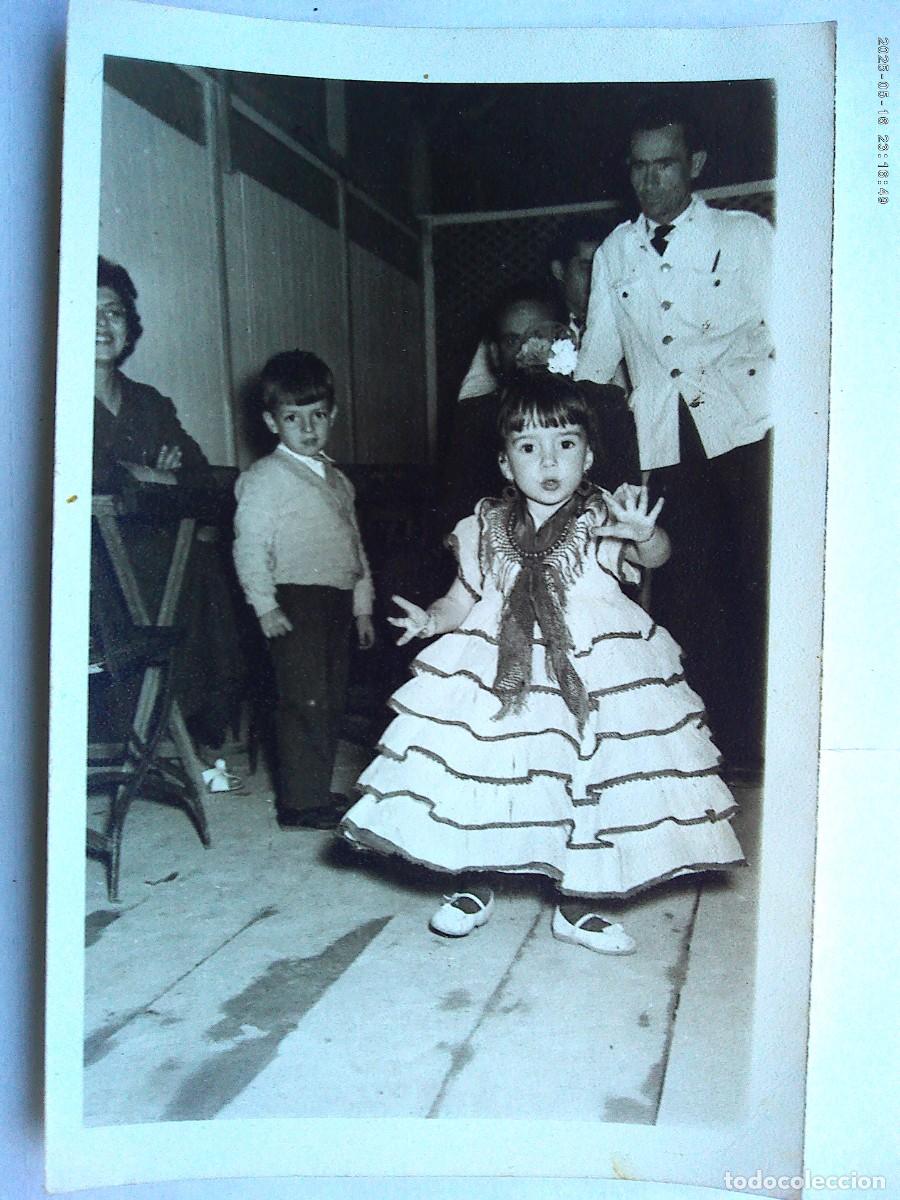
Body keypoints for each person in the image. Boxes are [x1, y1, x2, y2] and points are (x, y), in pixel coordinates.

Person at [340, 372, 743, 954]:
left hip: (595, 667)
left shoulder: (607, 515)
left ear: (589, 454)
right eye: (528, 447)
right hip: (502, 666)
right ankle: (474, 880)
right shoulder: (482, 525)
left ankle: (579, 903)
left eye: (566, 443)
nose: (548, 460)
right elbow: (462, 598)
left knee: (591, 776)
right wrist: (432, 620)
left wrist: (645, 535)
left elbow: (655, 556)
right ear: (505, 463)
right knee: (489, 767)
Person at [575, 99, 774, 771]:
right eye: (640, 168)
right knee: (687, 590)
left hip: (749, 430)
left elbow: (793, 328)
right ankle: (705, 741)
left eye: (666, 166)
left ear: (695, 166)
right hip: (664, 441)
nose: (652, 182)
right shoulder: (614, 252)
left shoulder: (746, 235)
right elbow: (600, 362)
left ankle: (760, 738)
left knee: (755, 579)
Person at [92, 256, 244, 750]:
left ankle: (195, 721)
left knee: (202, 562)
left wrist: (152, 473)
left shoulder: (150, 403)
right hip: (94, 558)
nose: (101, 324)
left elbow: (201, 479)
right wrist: (140, 476)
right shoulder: (51, 396)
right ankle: (141, 729)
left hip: (163, 551)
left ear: (129, 326)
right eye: (87, 310)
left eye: (113, 311)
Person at [233, 350, 375, 831]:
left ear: (332, 415)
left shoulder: (338, 480)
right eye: (293, 418)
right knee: (302, 701)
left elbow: (354, 550)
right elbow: (248, 547)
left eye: (317, 415)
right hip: (293, 602)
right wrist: (265, 605)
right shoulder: (264, 479)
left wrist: (362, 608)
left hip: (335, 602)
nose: (308, 428)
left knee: (331, 699)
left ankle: (313, 789)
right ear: (272, 422)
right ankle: (297, 803)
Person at [439, 279, 638, 536]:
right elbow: (460, 513)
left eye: (540, 334)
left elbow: (624, 499)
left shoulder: (602, 405)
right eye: (512, 341)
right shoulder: (477, 418)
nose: (528, 348)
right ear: (495, 353)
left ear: (565, 338)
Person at [457, 217, 604, 402]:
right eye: (587, 267)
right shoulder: (523, 317)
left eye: (605, 267)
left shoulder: (623, 321)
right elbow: (474, 397)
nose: (599, 277)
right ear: (559, 270)